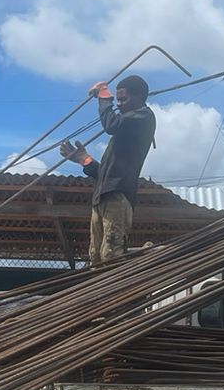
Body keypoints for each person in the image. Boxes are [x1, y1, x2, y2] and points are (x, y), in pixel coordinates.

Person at [59, 74, 157, 264]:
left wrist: (104, 96)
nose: (118, 104)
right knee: (95, 255)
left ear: (139, 97)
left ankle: (118, 291)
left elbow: (111, 125)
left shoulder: (144, 116)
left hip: (118, 196)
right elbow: (107, 173)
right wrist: (84, 160)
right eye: (117, 100)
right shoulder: (125, 132)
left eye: (123, 99)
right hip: (102, 196)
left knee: (111, 254)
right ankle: (97, 292)